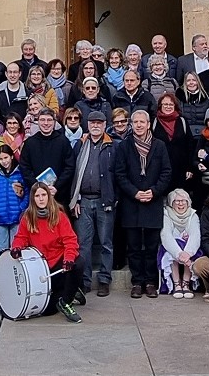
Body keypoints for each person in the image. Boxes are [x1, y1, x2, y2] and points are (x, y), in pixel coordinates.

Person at [113, 108, 172, 298]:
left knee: (152, 246)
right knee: (134, 246)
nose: (138, 125)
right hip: (132, 203)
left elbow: (166, 173)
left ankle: (151, 282)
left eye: (142, 122)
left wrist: (153, 192)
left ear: (148, 124)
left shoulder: (160, 146)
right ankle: (137, 282)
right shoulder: (124, 146)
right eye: (135, 122)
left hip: (153, 202)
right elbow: (120, 174)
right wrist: (135, 192)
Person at [11, 184, 83, 323]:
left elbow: (70, 240)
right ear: (33, 199)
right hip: (41, 266)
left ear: (48, 196)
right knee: (48, 311)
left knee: (79, 262)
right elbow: (21, 237)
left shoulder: (60, 215)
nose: (41, 199)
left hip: (60, 262)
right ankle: (72, 291)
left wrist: (68, 258)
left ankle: (66, 302)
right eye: (37, 196)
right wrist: (16, 247)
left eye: (43, 195)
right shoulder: (27, 217)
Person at [71, 108, 116, 296]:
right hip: (83, 201)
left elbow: (118, 175)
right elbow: (73, 173)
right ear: (87, 125)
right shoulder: (79, 145)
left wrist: (115, 199)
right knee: (84, 244)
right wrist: (74, 200)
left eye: (99, 123)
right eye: (92, 123)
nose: (96, 126)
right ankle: (85, 280)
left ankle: (104, 280)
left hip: (104, 201)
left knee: (106, 242)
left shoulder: (113, 146)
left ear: (105, 125)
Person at [19, 107, 75, 202]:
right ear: (38, 121)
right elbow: (25, 167)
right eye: (42, 120)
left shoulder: (63, 141)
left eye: (49, 120)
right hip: (37, 195)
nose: (46, 123)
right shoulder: (29, 143)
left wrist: (57, 187)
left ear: (54, 122)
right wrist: (37, 187)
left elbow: (69, 167)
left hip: (59, 194)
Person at [158, 189, 202, 297]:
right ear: (171, 203)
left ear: (188, 202)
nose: (180, 204)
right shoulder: (166, 215)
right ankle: (176, 284)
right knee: (171, 250)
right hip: (172, 248)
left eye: (183, 201)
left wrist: (187, 253)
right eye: (177, 201)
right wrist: (179, 253)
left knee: (191, 249)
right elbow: (166, 236)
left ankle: (186, 284)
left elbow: (195, 235)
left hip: (188, 249)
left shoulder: (193, 215)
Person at [0, 145, 26, 257]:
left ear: (12, 157)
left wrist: (21, 208)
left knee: (17, 250)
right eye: (1, 159)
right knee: (1, 252)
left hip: (16, 218)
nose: (4, 161)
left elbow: (27, 193)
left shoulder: (20, 174)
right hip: (0, 219)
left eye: (6, 158)